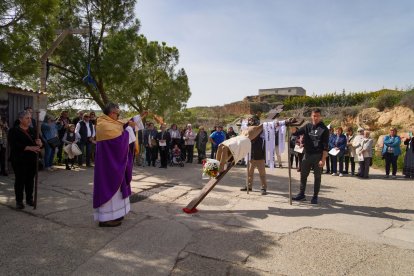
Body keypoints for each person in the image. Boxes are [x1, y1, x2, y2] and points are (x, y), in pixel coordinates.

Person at [93, 102, 145, 227]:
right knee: (110, 188)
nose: (118, 116)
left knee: (119, 190)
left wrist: (139, 117)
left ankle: (116, 214)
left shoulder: (110, 122)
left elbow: (124, 122)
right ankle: (105, 219)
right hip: (109, 165)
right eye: (117, 113)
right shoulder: (104, 124)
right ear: (111, 113)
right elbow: (118, 142)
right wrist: (129, 129)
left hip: (115, 163)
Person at [292, 108, 329, 204]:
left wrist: (323, 159)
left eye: (317, 116)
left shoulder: (324, 129)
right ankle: (301, 194)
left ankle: (315, 196)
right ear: (311, 116)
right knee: (303, 175)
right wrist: (291, 124)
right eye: (313, 115)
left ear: (320, 116)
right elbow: (295, 133)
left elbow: (325, 147)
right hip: (307, 155)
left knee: (317, 177)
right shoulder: (307, 126)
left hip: (318, 156)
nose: (315, 117)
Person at [8, 111, 42, 209]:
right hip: (19, 160)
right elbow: (14, 145)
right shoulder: (13, 131)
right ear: (20, 119)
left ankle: (29, 199)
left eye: (30, 118)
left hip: (32, 160)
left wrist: (40, 143)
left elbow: (42, 142)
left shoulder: (33, 130)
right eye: (27, 118)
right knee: (20, 180)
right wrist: (30, 148)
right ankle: (19, 201)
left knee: (30, 180)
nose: (29, 120)